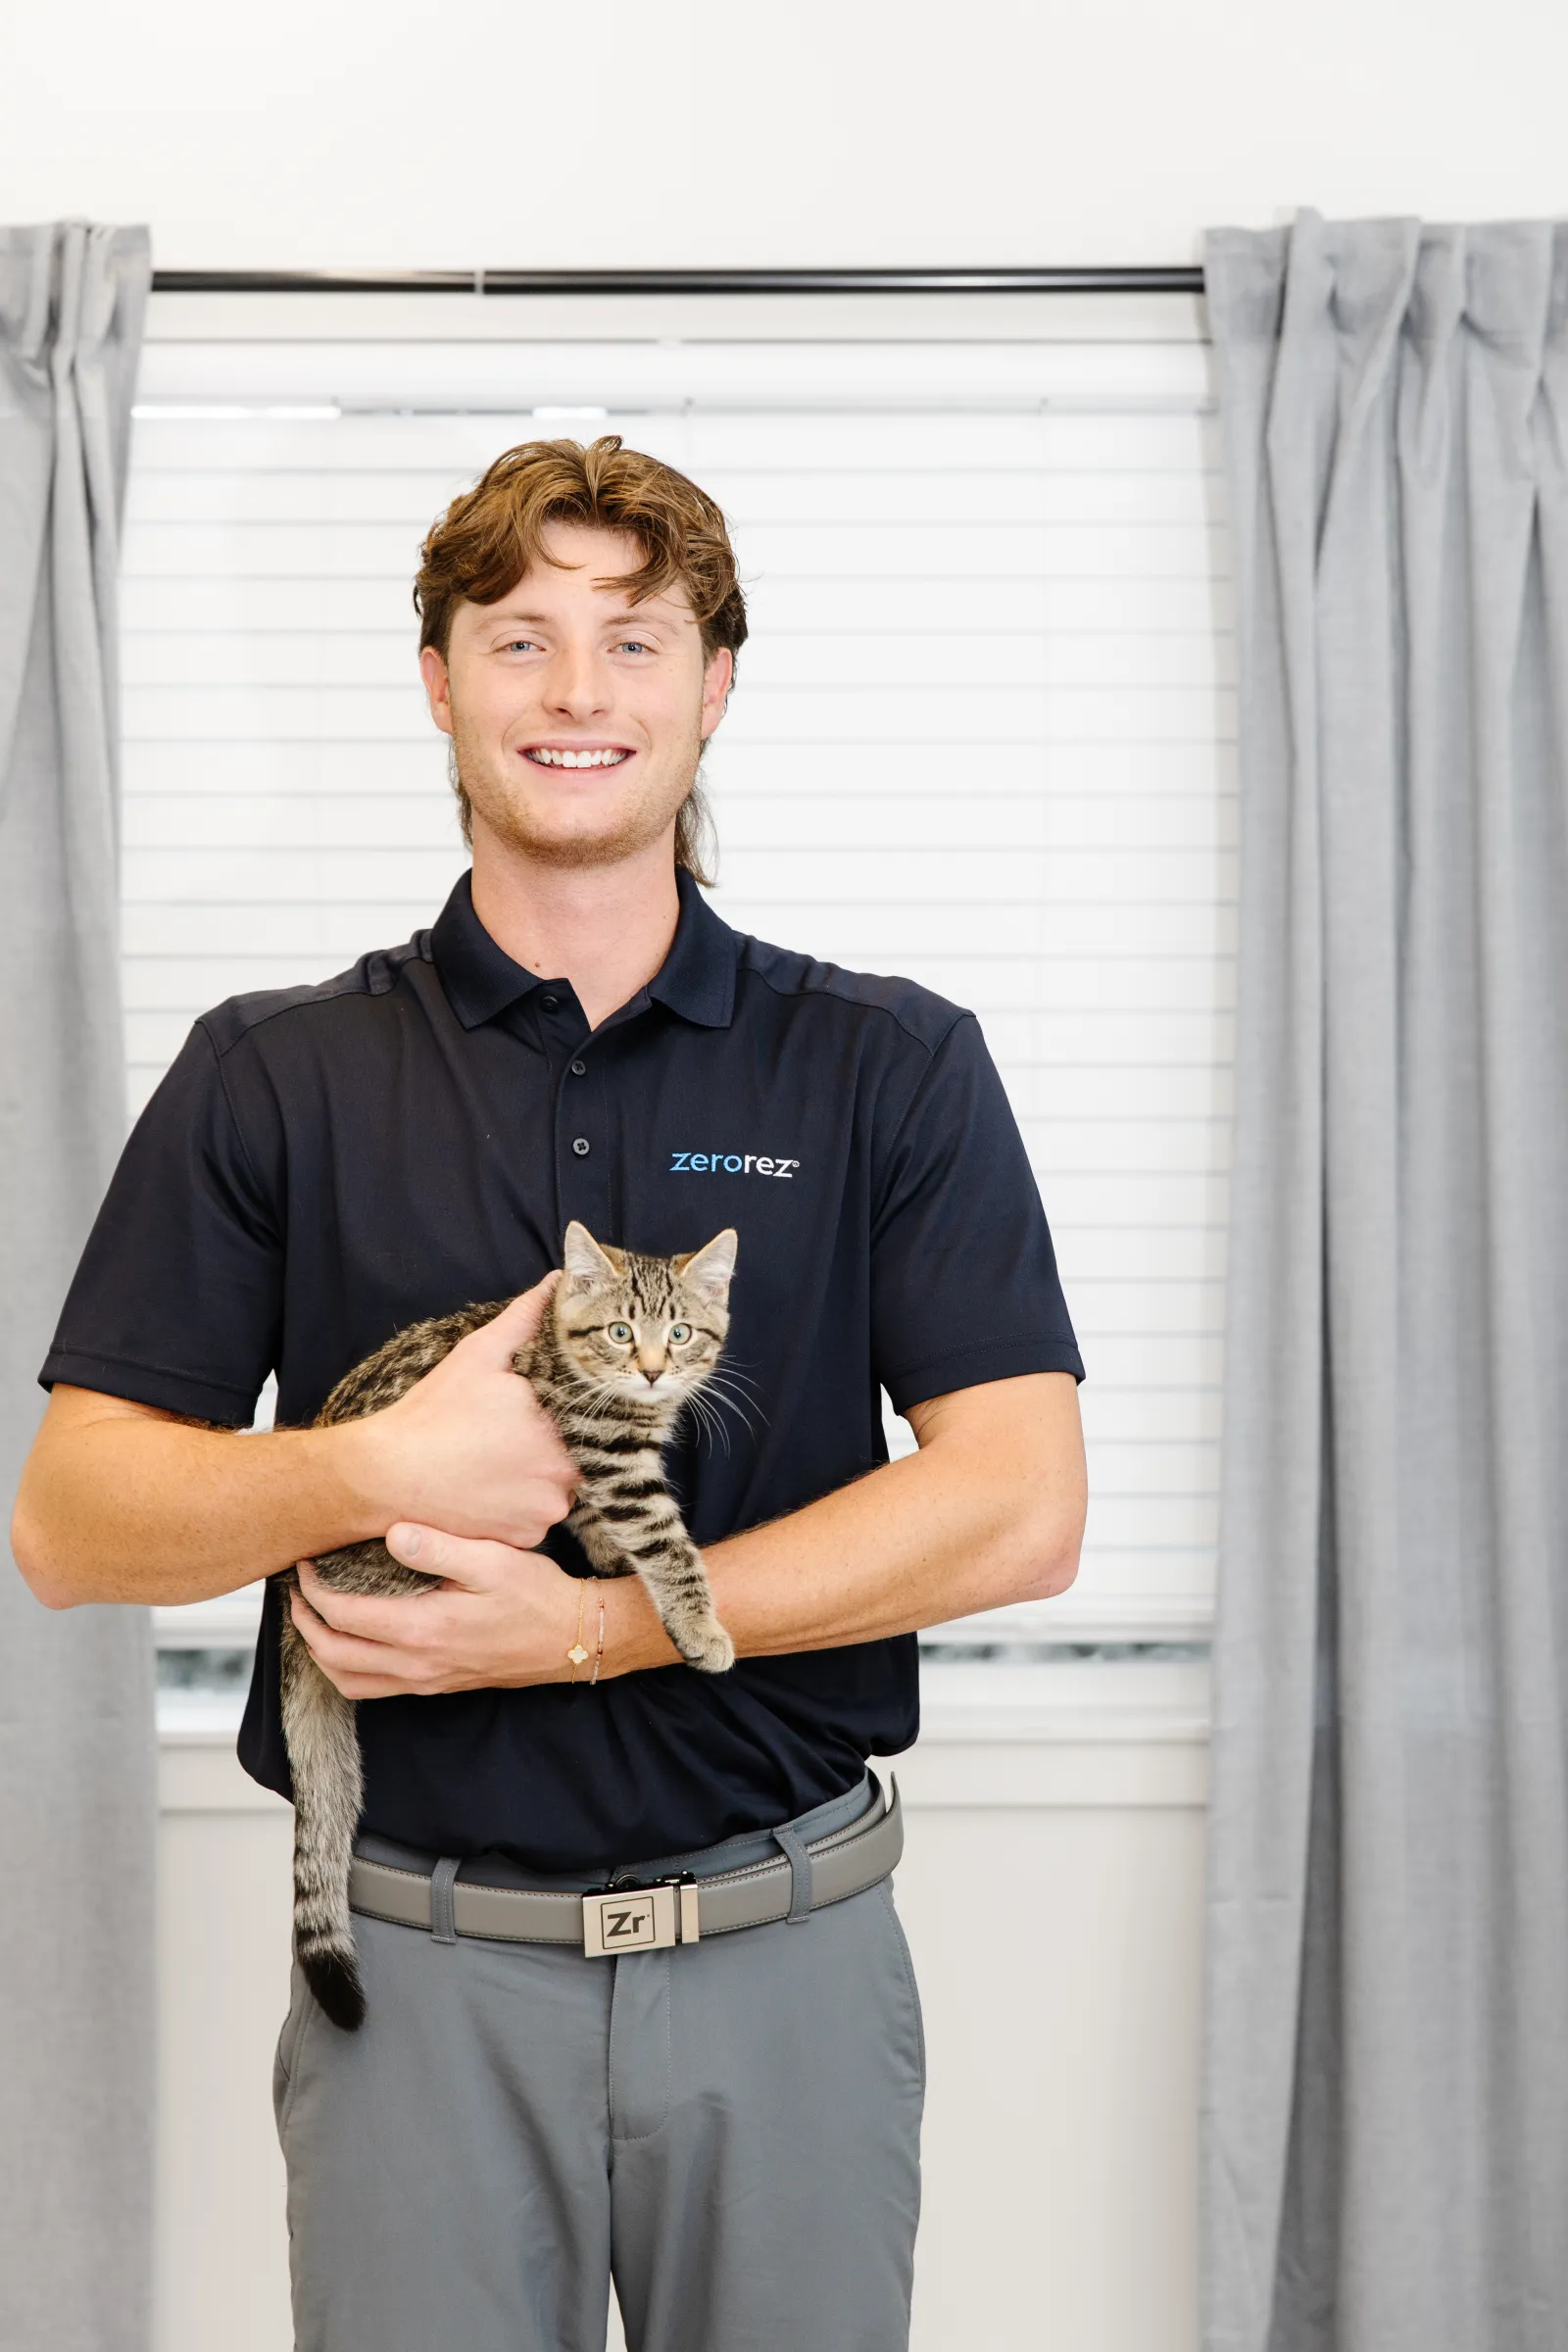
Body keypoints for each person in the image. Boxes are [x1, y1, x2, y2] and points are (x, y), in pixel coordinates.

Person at [12, 435, 1087, 2352]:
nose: (578, 694)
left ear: (714, 685)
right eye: (520, 640)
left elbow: (1017, 1504)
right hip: (414, 1985)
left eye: (634, 640)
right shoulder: (274, 1074)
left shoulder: (888, 1066)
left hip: (790, 1961)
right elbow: (74, 1524)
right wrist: (372, 1463)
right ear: (437, 681)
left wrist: (589, 1631)